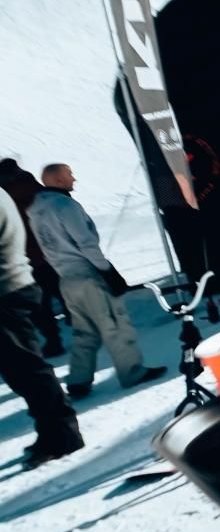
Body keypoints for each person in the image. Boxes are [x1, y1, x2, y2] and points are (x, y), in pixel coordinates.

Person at [28, 164, 165, 400]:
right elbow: (86, 242)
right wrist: (107, 271)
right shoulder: (64, 205)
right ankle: (132, 372)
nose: (74, 179)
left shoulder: (36, 210)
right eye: (69, 174)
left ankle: (78, 380)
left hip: (65, 278)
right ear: (58, 180)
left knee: (84, 331)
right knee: (115, 324)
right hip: (88, 274)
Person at [0, 190, 83, 467]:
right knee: (22, 371)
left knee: (27, 370)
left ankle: (62, 436)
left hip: (6, 291)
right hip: (12, 286)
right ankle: (52, 432)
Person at [0, 157, 66, 356]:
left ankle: (53, 340)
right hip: (48, 251)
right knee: (62, 291)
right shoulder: (34, 187)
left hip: (26, 256)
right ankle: (82, 325)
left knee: (40, 306)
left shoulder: (6, 196)